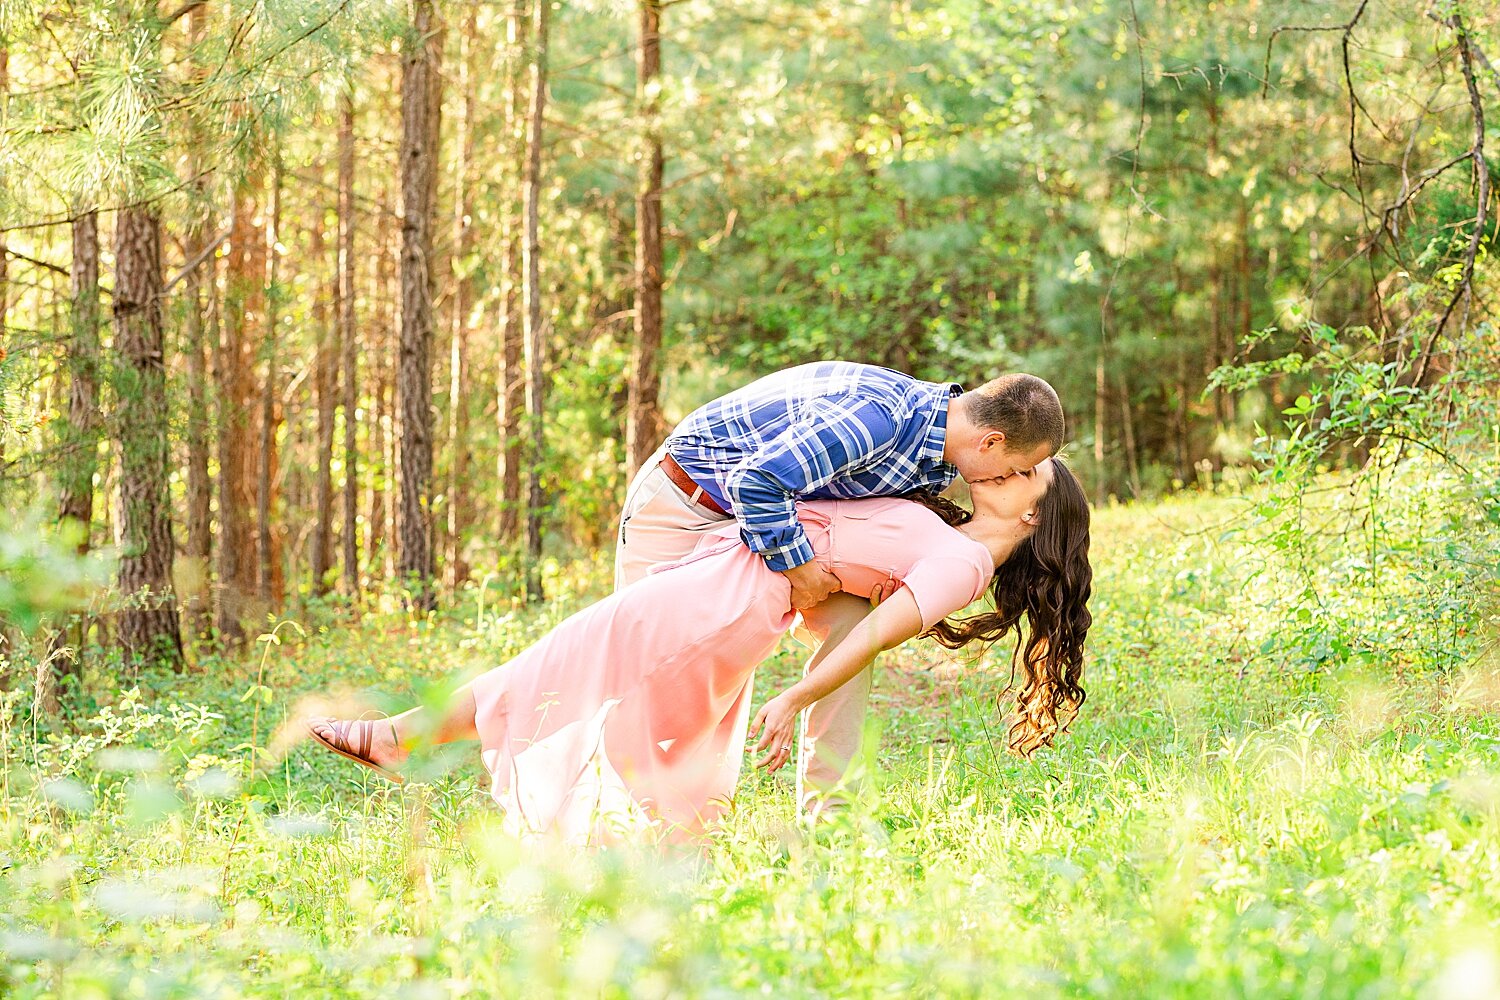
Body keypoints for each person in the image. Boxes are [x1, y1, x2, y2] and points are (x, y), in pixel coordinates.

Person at [305, 457, 1092, 846]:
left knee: (562, 666)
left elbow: (873, 638)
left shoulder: (961, 564)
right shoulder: (948, 531)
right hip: (728, 581)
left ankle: (400, 737)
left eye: (1029, 472)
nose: (1010, 465)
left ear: (1032, 517)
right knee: (577, 675)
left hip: (730, 601)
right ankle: (404, 739)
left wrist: (795, 698)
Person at [615, 362, 1066, 816]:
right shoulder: (879, 419)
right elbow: (757, 483)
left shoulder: (936, 460)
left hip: (771, 522)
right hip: (688, 501)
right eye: (1016, 468)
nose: (1005, 478)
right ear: (991, 442)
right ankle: (627, 817)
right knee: (651, 666)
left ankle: (830, 814)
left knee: (852, 630)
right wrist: (802, 570)